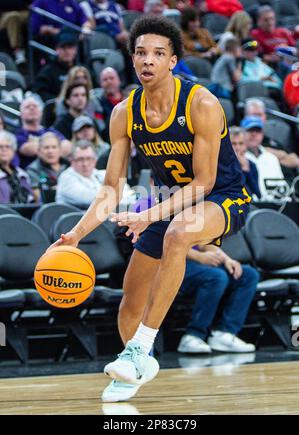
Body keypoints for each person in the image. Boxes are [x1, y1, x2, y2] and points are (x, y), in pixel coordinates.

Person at [49, 15, 251, 403]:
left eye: (158, 54)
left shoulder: (202, 103)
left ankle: (142, 346)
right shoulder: (124, 112)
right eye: (141, 53)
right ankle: (136, 364)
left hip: (221, 196)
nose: (148, 61)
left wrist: (149, 214)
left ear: (173, 61)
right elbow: (111, 188)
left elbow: (204, 182)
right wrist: (75, 235)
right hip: (167, 200)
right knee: (129, 304)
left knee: (179, 233)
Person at [178, 243, 259, 353]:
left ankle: (225, 333)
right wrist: (199, 256)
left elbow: (205, 243)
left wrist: (227, 260)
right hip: (171, 265)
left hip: (198, 264)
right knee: (216, 277)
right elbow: (166, 244)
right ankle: (193, 336)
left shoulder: (198, 224)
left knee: (248, 275)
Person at [56, 140, 134, 208]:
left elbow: (129, 192)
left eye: (89, 159)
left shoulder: (100, 174)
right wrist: (120, 196)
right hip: (74, 222)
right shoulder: (66, 178)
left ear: (95, 160)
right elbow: (90, 199)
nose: (85, 164)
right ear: (72, 161)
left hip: (104, 221)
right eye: (80, 159)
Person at [16, 96, 71, 168]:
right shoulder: (19, 135)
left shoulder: (51, 131)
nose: (32, 108)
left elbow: (68, 147)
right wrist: (55, 146)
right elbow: (28, 149)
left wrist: (39, 144)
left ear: (41, 112)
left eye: (35, 106)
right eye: (27, 107)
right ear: (21, 114)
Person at [241, 116, 286, 201]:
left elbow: (281, 187)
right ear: (242, 133)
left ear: (262, 134)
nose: (254, 134)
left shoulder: (271, 158)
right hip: (248, 203)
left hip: (273, 204)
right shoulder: (238, 158)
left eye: (257, 131)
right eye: (250, 130)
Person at [33, 32, 80, 102]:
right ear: (57, 50)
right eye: (63, 48)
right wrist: (63, 101)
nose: (67, 51)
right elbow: (41, 93)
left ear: (75, 50)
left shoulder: (82, 70)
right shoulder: (47, 72)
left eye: (70, 48)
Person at [26, 132, 69, 203]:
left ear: (60, 150)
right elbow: (38, 198)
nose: (50, 151)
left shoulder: (68, 165)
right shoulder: (33, 170)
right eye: (46, 147)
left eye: (54, 147)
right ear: (39, 151)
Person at [0, 130, 34, 204]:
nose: (4, 150)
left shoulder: (22, 174)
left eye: (8, 147)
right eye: (0, 147)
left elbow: (31, 199)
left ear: (13, 151)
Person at [230, 126, 260, 199]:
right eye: (234, 144)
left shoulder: (251, 165)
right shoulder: (222, 164)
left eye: (241, 143)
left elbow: (258, 194)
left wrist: (246, 170)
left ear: (246, 146)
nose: (237, 148)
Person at [98, 67, 124, 142]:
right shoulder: (98, 104)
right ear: (101, 84)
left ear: (119, 80)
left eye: (112, 78)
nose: (109, 81)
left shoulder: (129, 98)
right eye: (105, 79)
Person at [0, 1, 30, 65]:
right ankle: (18, 51)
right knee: (13, 16)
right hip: (3, 15)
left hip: (22, 12)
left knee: (14, 16)